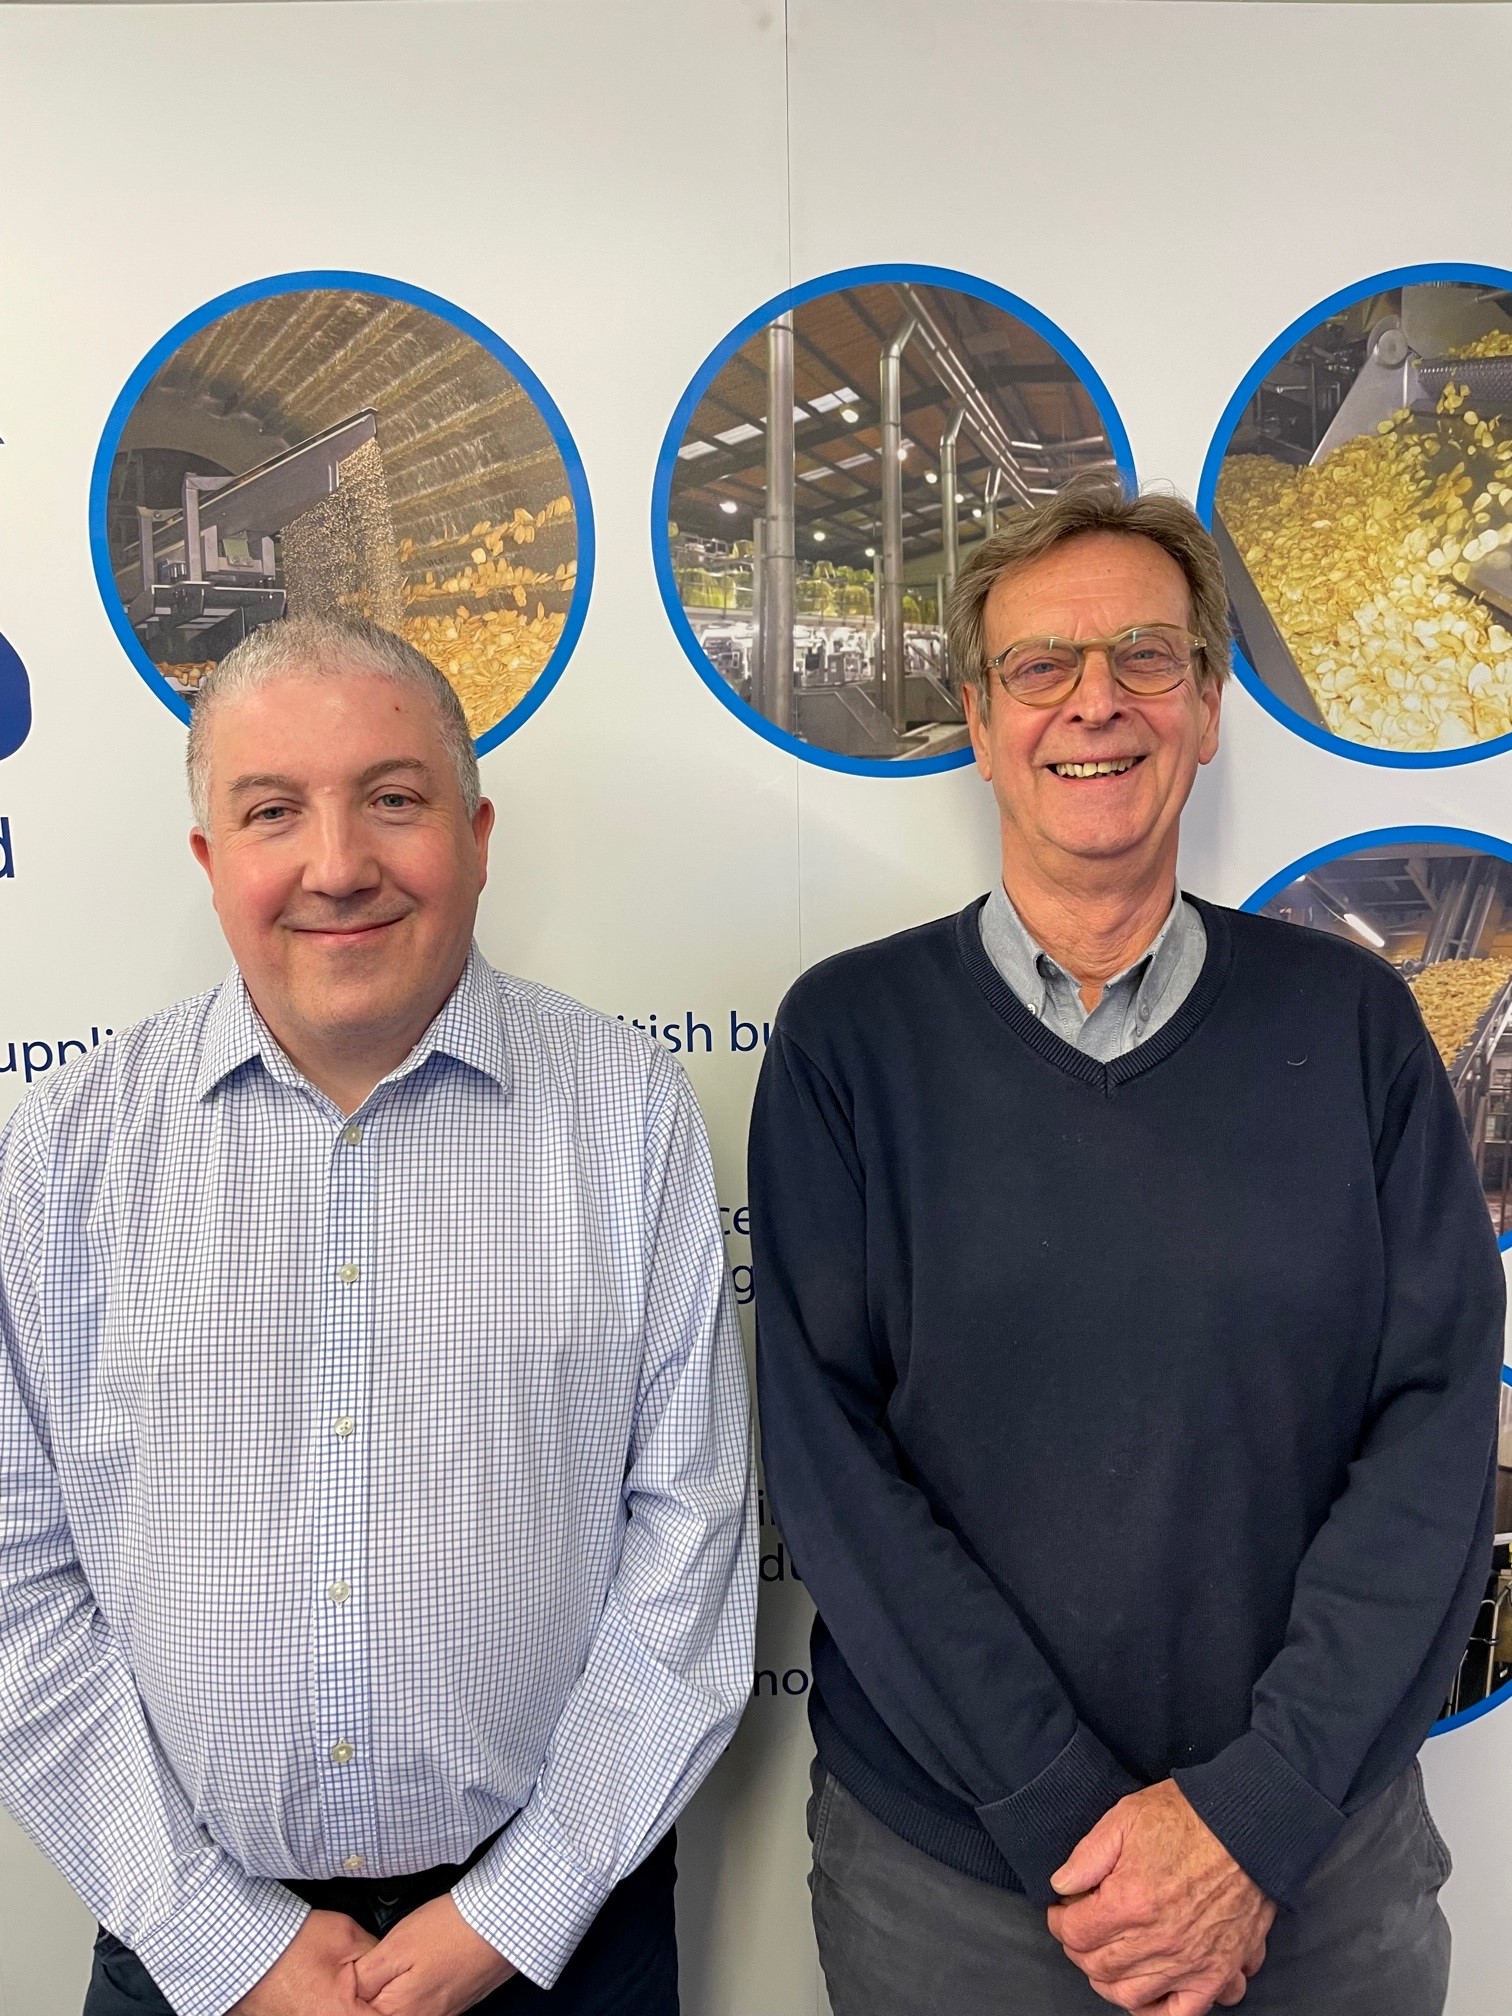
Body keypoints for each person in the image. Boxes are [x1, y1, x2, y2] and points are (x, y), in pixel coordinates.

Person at [748, 476, 1504, 2016]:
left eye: (1147, 659)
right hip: (953, 1890)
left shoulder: (1354, 1027)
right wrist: (1074, 1823)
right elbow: (835, 1475)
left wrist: (1254, 1821)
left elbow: (1435, 1429)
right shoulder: (850, 1040)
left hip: (1316, 1873)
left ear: (1209, 708)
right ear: (980, 721)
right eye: (1041, 666)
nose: (1096, 703)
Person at [0, 616, 756, 2016]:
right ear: (210, 859)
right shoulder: (66, 1151)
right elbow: (14, 1572)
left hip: (561, 1945)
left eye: (393, 799)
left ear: (476, 836)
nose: (339, 863)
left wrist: (517, 1908)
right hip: (188, 1947)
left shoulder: (626, 1113)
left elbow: (690, 1537)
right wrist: (220, 1938)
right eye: (273, 811)